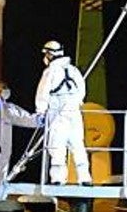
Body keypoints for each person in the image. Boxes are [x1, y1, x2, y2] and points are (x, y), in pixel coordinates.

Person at [35, 40, 92, 185]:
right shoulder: (73, 70)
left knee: (57, 147)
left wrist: (40, 112)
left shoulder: (50, 72)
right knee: (78, 146)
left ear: (50, 54)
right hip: (74, 114)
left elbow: (42, 93)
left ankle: (58, 179)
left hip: (58, 115)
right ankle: (85, 178)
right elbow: (82, 91)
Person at [0, 79, 41, 201]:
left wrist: (40, 120)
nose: (4, 91)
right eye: (1, 88)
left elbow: (25, 118)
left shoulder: (9, 108)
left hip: (3, 151)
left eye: (5, 88)